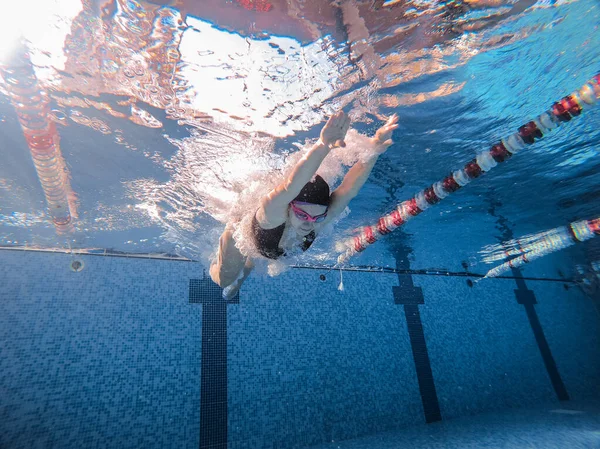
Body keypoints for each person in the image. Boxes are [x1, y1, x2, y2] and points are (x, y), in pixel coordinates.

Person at [210, 111, 399, 298]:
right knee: (224, 279)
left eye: (317, 216)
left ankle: (242, 276)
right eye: (303, 215)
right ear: (289, 206)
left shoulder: (318, 221)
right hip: (240, 234)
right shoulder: (271, 215)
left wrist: (373, 149)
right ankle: (230, 271)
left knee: (256, 256)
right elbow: (290, 188)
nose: (310, 224)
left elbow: (348, 190)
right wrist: (323, 146)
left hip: (265, 247)